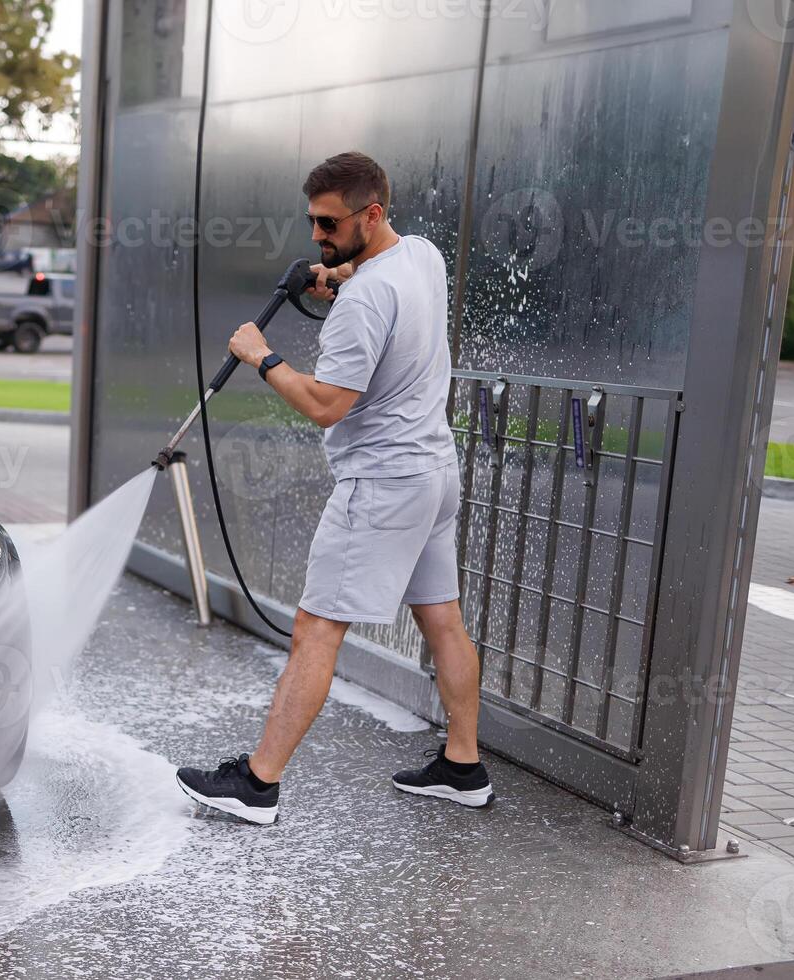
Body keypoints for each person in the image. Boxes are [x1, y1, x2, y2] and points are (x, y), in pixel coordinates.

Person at [174, 151, 493, 825]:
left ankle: (258, 786)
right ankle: (463, 766)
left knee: (316, 633)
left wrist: (262, 357)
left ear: (369, 215)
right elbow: (371, 273)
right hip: (433, 474)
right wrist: (336, 272)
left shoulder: (365, 304)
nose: (317, 236)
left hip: (381, 485)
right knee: (443, 620)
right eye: (313, 224)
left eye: (329, 224)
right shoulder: (423, 258)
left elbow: (326, 404)